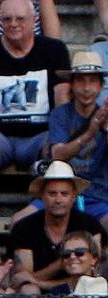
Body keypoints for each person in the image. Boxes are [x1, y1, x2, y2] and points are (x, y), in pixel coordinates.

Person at [0, 0, 71, 171]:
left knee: (58, 145)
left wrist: (58, 134)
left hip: (40, 136)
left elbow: (61, 95)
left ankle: (49, 198)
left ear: (35, 20)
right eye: (7, 19)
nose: (13, 24)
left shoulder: (54, 50)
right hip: (0, 136)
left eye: (20, 19)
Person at [46, 55, 108, 218]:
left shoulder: (106, 116)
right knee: (19, 220)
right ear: (72, 85)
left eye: (93, 81)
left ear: (101, 86)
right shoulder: (60, 115)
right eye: (80, 81)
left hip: (98, 195)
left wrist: (106, 130)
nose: (86, 88)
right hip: (61, 191)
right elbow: (57, 155)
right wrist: (90, 132)